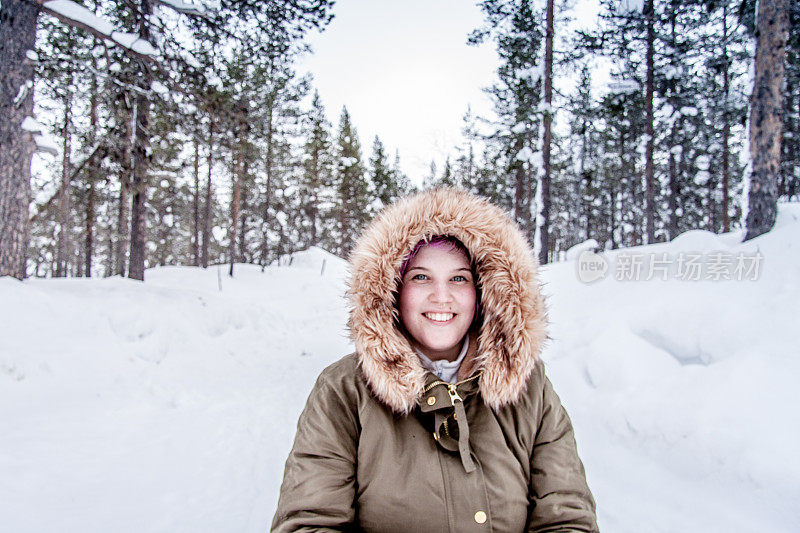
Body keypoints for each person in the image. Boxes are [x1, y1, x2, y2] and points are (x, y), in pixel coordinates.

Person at [272, 188, 597, 532]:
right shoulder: (343, 392)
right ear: (392, 289)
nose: (441, 297)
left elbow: (567, 519)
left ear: (485, 292)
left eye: (459, 278)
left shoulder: (530, 388)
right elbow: (308, 522)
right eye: (421, 277)